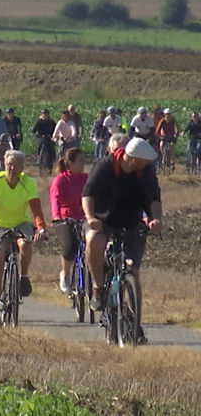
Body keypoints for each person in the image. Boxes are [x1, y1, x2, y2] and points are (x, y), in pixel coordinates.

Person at [82, 137, 161, 344]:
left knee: (133, 271)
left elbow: (154, 197)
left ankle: (135, 323)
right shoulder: (105, 166)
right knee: (94, 239)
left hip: (131, 222)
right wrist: (91, 218)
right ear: (134, 160)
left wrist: (156, 219)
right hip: (102, 221)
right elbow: (88, 194)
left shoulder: (146, 171)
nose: (147, 165)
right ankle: (98, 287)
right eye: (144, 161)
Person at [0, 150, 47, 326]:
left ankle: (23, 276)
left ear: (22, 168)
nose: (12, 169)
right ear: (4, 164)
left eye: (16, 166)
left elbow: (36, 209)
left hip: (20, 223)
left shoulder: (28, 183)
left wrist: (40, 229)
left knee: (25, 244)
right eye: (9, 164)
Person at [49, 148, 88, 294]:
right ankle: (65, 273)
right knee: (70, 245)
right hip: (66, 218)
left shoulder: (86, 178)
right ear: (70, 163)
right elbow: (55, 199)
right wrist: (56, 216)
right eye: (80, 161)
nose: (84, 164)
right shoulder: (61, 180)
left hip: (84, 218)